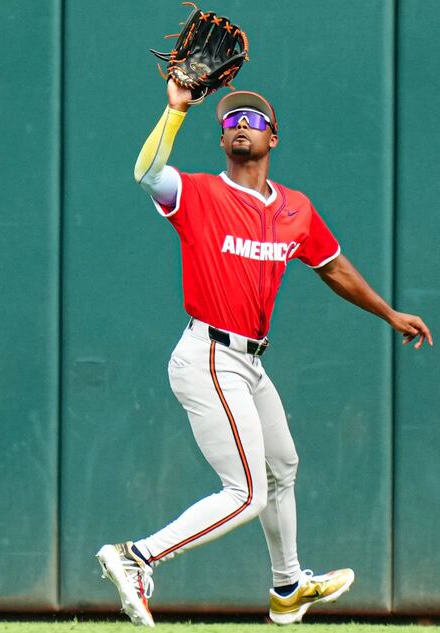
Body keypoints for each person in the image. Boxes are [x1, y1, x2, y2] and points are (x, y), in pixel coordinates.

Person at [96, 81, 433, 627]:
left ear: (273, 136)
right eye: (231, 121)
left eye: (253, 119)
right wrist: (175, 110)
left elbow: (333, 265)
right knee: (247, 492)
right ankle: (137, 558)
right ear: (222, 139)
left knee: (282, 467)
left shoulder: (295, 209)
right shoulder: (198, 193)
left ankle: (287, 586)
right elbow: (147, 173)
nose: (242, 125)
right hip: (208, 352)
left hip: (249, 362)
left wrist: (388, 313)